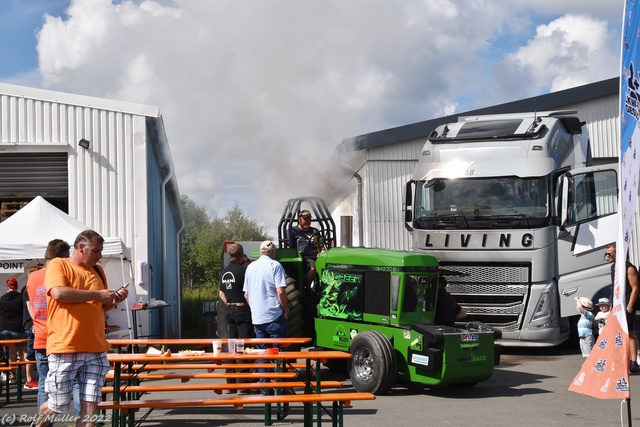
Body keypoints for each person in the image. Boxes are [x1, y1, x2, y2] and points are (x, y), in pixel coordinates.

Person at [33, 230, 129, 427]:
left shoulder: (98, 270)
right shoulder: (59, 264)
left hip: (96, 347)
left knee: (90, 410)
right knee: (58, 406)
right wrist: (96, 294)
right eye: (96, 251)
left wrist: (115, 299)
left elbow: (102, 306)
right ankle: (39, 422)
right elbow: (58, 293)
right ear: (80, 248)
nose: (99, 256)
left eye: (101, 251)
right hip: (65, 347)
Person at [26, 239, 81, 416]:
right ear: (64, 257)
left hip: (41, 336)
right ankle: (84, 422)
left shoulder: (33, 277)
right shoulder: (67, 274)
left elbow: (32, 305)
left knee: (44, 383)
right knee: (76, 383)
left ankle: (44, 423)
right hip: (64, 336)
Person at [219, 243, 254, 393]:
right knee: (243, 346)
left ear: (229, 255)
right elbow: (247, 293)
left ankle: (230, 383)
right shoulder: (244, 271)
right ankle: (242, 384)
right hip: (242, 309)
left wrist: (230, 305)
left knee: (232, 345)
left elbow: (221, 294)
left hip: (229, 310)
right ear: (241, 255)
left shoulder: (224, 272)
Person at [244, 240, 288, 342]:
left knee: (262, 353)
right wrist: (285, 310)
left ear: (261, 252)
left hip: (257, 318)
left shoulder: (250, 267)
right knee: (278, 352)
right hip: (274, 316)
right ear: (273, 252)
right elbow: (280, 291)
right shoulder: (275, 265)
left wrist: (255, 309)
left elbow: (246, 295)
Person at [605, 243, 640, 373]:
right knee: (619, 333)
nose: (607, 256)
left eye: (610, 253)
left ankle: (633, 362)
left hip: (627, 306)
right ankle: (622, 360)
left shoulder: (629, 268)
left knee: (629, 333)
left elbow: (635, 288)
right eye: (607, 253)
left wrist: (630, 306)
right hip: (618, 305)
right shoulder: (614, 267)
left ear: (618, 253)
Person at [0, 277, 27, 382]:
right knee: (23, 353)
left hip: (4, 329)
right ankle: (23, 377)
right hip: (19, 328)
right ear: (16, 286)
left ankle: (14, 377)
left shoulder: (2, 299)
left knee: (11, 353)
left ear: (7, 287)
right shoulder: (22, 298)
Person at [288, 210, 321, 287]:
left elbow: (321, 244)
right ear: (299, 219)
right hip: (303, 257)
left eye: (309, 219)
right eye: (305, 219)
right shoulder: (292, 231)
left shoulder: (315, 230)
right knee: (313, 268)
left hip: (317, 255)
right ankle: (307, 287)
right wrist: (296, 252)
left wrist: (322, 251)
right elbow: (288, 246)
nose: (308, 221)